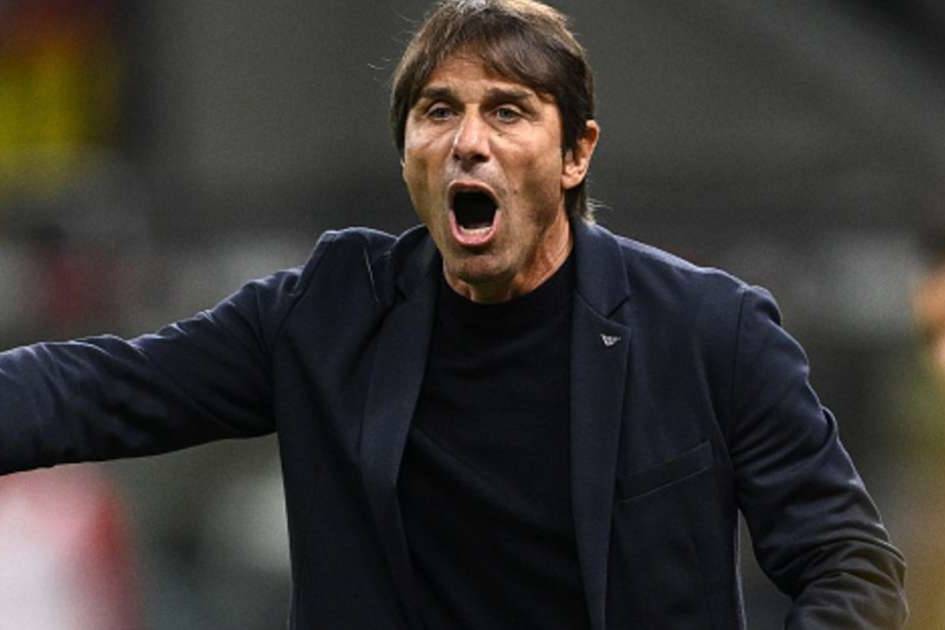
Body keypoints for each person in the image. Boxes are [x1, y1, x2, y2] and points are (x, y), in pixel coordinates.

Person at [0, 1, 907, 628]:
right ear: (407, 153)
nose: (468, 140)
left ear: (575, 153)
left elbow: (847, 562)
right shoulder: (329, 312)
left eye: (507, 112)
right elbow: (99, 389)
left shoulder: (708, 330)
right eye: (439, 112)